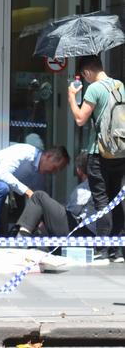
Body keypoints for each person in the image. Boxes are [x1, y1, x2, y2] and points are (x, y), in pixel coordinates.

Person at [67, 55, 125, 263]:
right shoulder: (120, 85)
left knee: (101, 200)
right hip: (119, 151)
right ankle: (117, 251)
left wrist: (72, 97)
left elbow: (81, 119)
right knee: (116, 199)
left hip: (99, 152)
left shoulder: (94, 88)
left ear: (86, 72)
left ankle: (101, 248)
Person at [0, 143, 69, 237]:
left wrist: (42, 221)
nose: (54, 173)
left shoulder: (39, 175)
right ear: (48, 156)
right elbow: (2, 174)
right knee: (2, 188)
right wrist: (27, 191)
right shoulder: (26, 151)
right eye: (55, 168)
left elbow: (37, 201)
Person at [16, 152, 96, 238]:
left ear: (78, 170)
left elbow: (73, 212)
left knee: (38, 196)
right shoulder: (98, 187)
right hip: (89, 232)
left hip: (80, 232)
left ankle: (22, 237)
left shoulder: (84, 188)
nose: (55, 172)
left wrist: (49, 214)